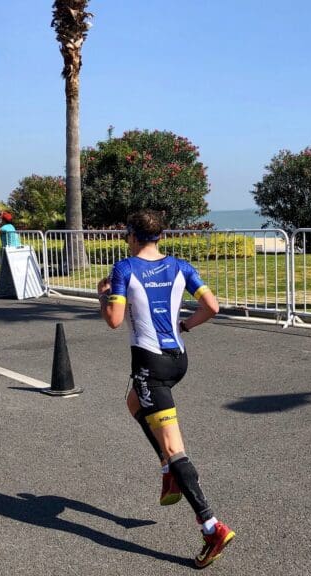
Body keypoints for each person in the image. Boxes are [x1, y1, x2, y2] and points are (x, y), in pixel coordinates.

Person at [96, 209, 234, 569]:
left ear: (131, 235)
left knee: (174, 447)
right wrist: (185, 326)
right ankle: (167, 471)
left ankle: (210, 526)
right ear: (160, 236)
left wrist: (102, 296)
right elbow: (213, 307)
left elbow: (113, 321)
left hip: (150, 365)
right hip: (178, 359)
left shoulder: (124, 269)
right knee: (132, 402)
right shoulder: (180, 266)